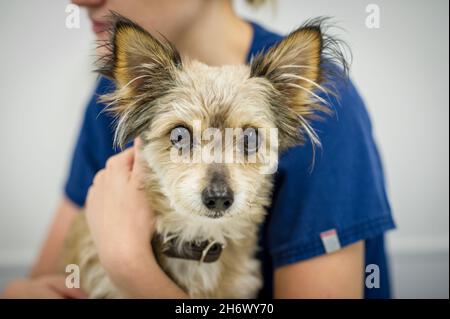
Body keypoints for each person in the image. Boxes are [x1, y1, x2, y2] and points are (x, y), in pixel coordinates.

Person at [2, 0, 395, 298]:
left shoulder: (331, 108)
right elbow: (43, 281)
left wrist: (130, 265)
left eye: (248, 141)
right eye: (180, 138)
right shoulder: (122, 92)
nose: (78, 0)